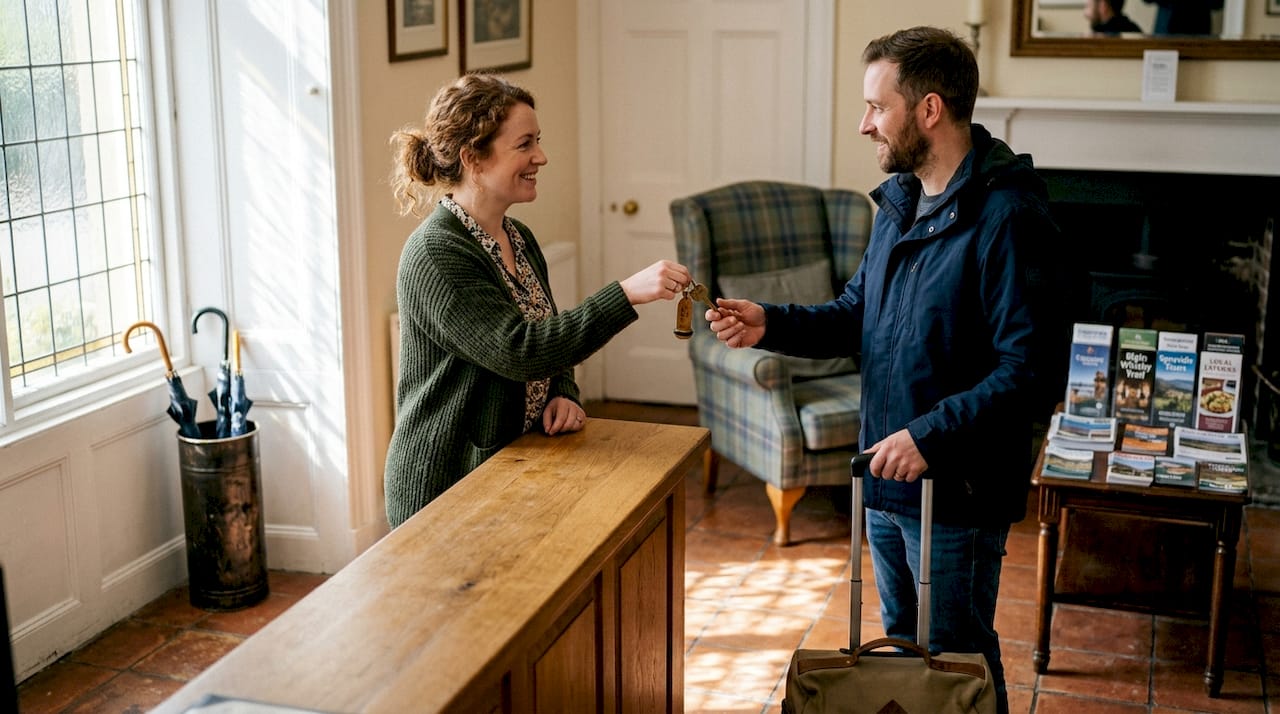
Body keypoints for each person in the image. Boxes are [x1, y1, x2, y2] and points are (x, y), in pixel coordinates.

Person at [705, 27, 1059, 714]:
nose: (865, 123)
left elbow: (1030, 371)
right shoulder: (898, 204)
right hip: (886, 475)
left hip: (956, 486)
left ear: (929, 109)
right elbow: (856, 315)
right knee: (907, 654)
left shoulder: (1009, 218)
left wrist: (927, 435)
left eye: (877, 105)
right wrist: (770, 322)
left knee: (957, 658)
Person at [385, 73, 692, 528]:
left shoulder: (517, 236)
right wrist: (625, 295)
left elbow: (547, 332)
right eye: (524, 144)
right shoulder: (436, 253)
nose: (541, 157)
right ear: (473, 158)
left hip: (514, 463)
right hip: (447, 483)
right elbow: (520, 350)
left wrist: (563, 391)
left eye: (538, 141)